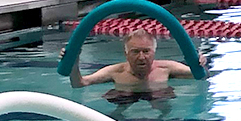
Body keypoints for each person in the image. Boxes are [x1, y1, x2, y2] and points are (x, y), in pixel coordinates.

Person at [68, 31, 204, 108]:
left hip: (158, 94)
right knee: (118, 112)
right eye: (135, 52)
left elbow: (200, 75)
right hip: (124, 94)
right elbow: (79, 84)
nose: (141, 57)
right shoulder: (116, 71)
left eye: (146, 51)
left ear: (154, 52)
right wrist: (74, 63)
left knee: (163, 105)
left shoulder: (166, 67)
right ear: (126, 54)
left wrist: (201, 63)